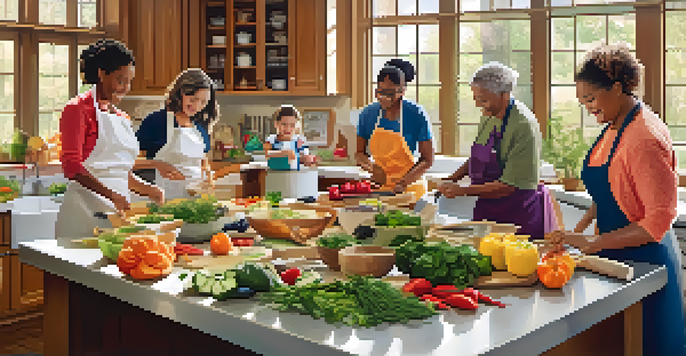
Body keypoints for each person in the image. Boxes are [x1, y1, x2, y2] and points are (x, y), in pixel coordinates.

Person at [548, 43, 685, 355]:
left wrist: (593, 244)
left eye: (591, 99)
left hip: (647, 263)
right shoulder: (614, 126)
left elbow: (655, 224)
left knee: (648, 344)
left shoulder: (644, 139)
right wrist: (580, 231)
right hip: (616, 257)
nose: (588, 107)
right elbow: (610, 191)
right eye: (583, 101)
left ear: (618, 88)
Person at [56, 39, 164, 240]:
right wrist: (111, 195)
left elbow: (120, 171)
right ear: (101, 74)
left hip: (116, 214)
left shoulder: (122, 117)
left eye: (129, 81)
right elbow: (72, 166)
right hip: (83, 212)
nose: (125, 88)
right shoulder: (77, 109)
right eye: (120, 80)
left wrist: (147, 189)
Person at [438, 62, 557, 239]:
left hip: (516, 214)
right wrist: (450, 179)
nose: (479, 105)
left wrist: (462, 190)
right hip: (487, 208)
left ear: (505, 95)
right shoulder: (489, 115)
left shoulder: (523, 125)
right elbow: (478, 158)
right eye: (476, 98)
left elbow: (510, 186)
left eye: (483, 99)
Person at [355, 58, 434, 201]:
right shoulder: (367, 114)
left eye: (390, 93)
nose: (384, 98)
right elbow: (359, 154)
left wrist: (403, 183)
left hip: (411, 188)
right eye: (380, 92)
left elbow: (427, 160)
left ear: (402, 91)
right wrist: (373, 168)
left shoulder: (416, 114)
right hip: (380, 188)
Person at [136, 68, 219, 200]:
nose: (197, 106)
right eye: (192, 99)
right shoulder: (157, 121)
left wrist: (209, 178)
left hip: (196, 202)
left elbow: (202, 162)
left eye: (203, 102)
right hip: (162, 201)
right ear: (180, 94)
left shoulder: (200, 126)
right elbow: (130, 162)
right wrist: (157, 164)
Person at [263, 105, 319, 170]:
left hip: (294, 176)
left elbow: (304, 157)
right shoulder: (271, 139)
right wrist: (285, 153)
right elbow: (267, 154)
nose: (288, 129)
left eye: (292, 125)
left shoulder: (299, 140)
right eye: (284, 124)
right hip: (275, 176)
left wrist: (309, 159)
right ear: (276, 124)